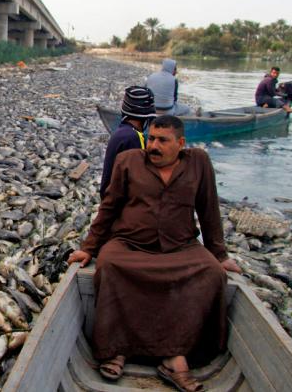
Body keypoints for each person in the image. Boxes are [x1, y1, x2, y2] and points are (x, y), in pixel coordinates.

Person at [68, 115, 241, 392]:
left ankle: (175, 356)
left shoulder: (199, 162)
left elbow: (209, 210)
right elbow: (109, 207)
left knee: (211, 274)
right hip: (130, 243)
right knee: (110, 266)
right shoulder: (128, 161)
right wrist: (89, 248)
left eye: (163, 140)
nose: (154, 146)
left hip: (180, 246)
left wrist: (219, 254)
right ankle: (118, 348)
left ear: (180, 143)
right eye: (151, 139)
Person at [99, 86, 157, 199]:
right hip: (118, 203)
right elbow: (139, 179)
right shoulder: (134, 138)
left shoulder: (121, 132)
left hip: (108, 197)